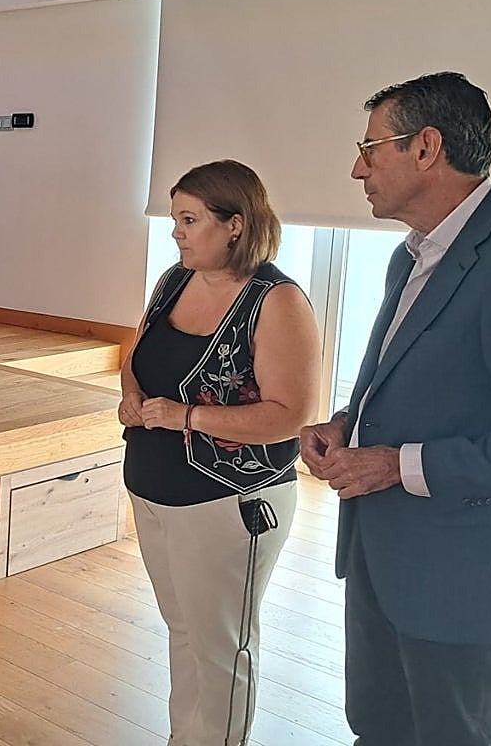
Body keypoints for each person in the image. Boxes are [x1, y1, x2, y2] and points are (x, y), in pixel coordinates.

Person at [301, 72, 491, 746]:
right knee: (378, 729)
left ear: (426, 147)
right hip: (380, 562)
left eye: (370, 149)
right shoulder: (408, 257)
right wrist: (346, 424)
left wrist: (397, 464)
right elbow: (409, 385)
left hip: (463, 587)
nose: (355, 168)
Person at [119, 160, 320, 746]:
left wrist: (188, 417)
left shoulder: (276, 301)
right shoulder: (173, 282)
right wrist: (131, 395)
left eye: (189, 219)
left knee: (220, 646)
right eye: (176, 218)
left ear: (235, 224)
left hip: (229, 501)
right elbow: (138, 357)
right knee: (183, 631)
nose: (176, 231)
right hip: (154, 487)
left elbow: (290, 414)